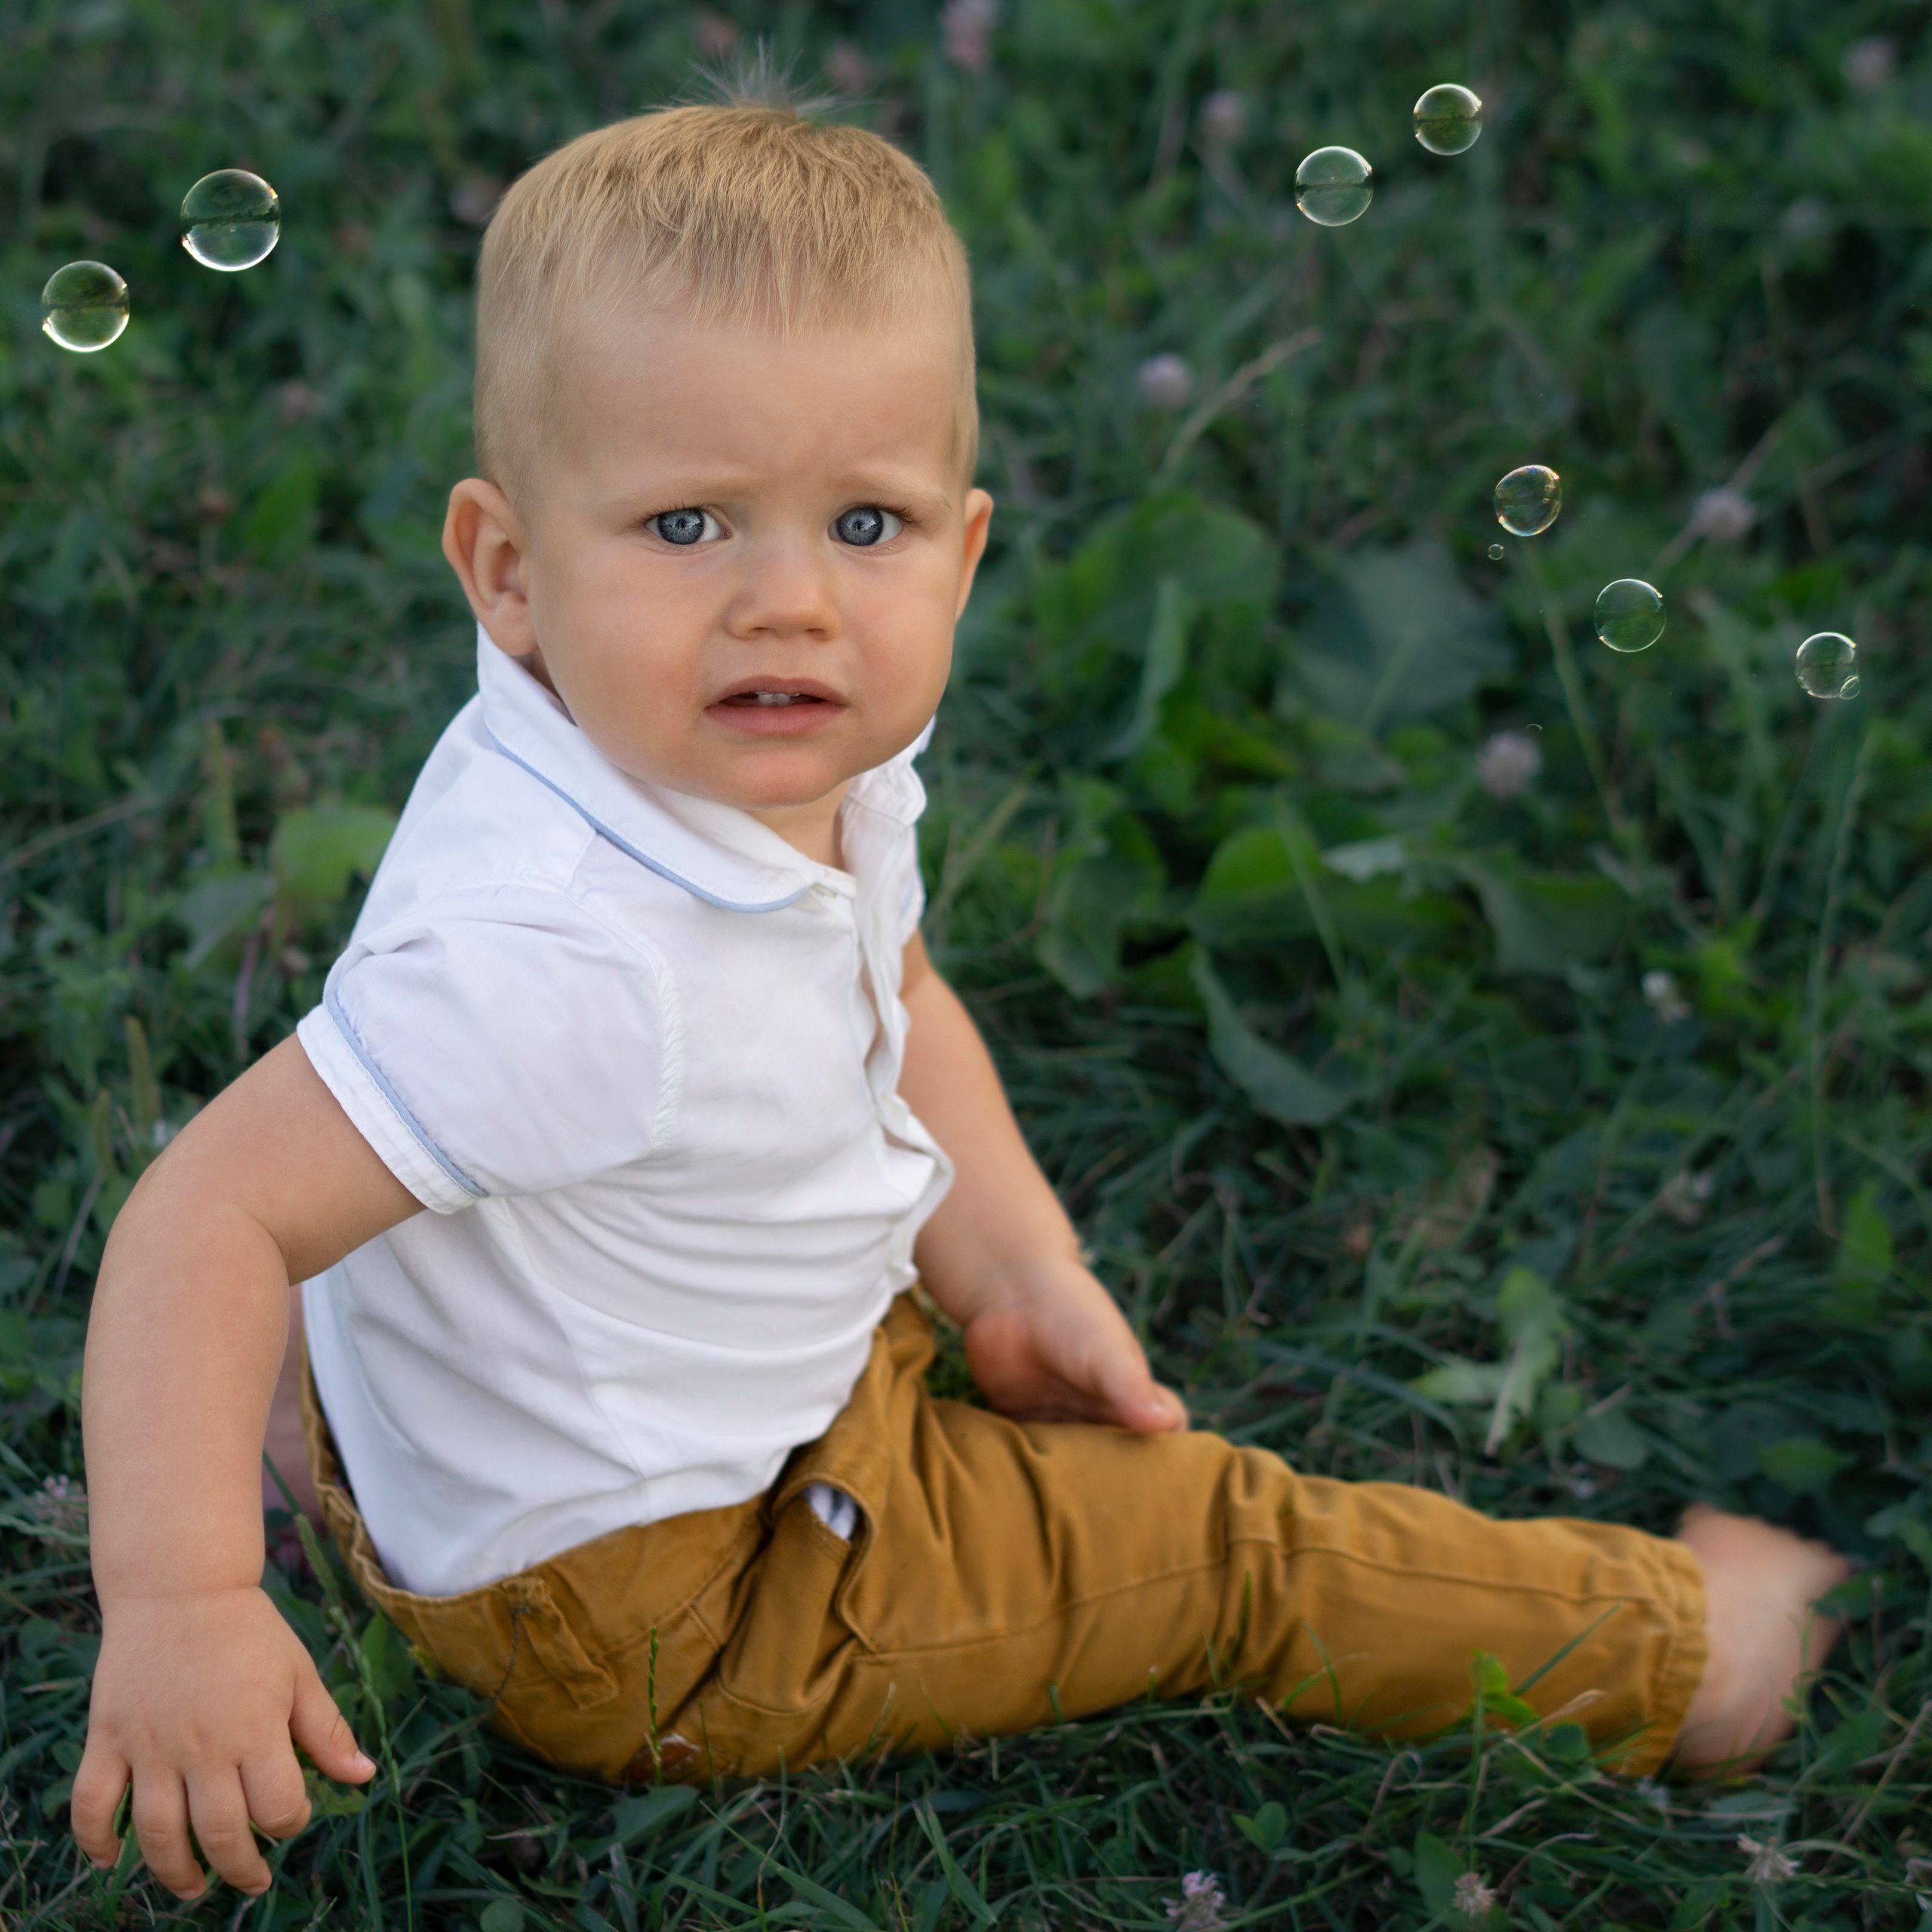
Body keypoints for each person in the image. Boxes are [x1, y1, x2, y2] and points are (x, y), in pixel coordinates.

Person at [73, 91, 1849, 1905]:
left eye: (865, 521)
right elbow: (209, 1210)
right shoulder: (566, 961)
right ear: (508, 569)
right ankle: (1682, 1648)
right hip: (663, 1596)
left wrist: (1008, 1270)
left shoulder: (751, 758)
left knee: (460, 1195)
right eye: (687, 523)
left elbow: (896, 986)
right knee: (1221, 1547)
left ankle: (344, 1440)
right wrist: (182, 1598)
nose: (790, 604)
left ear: (966, 546)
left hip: (593, 1386)